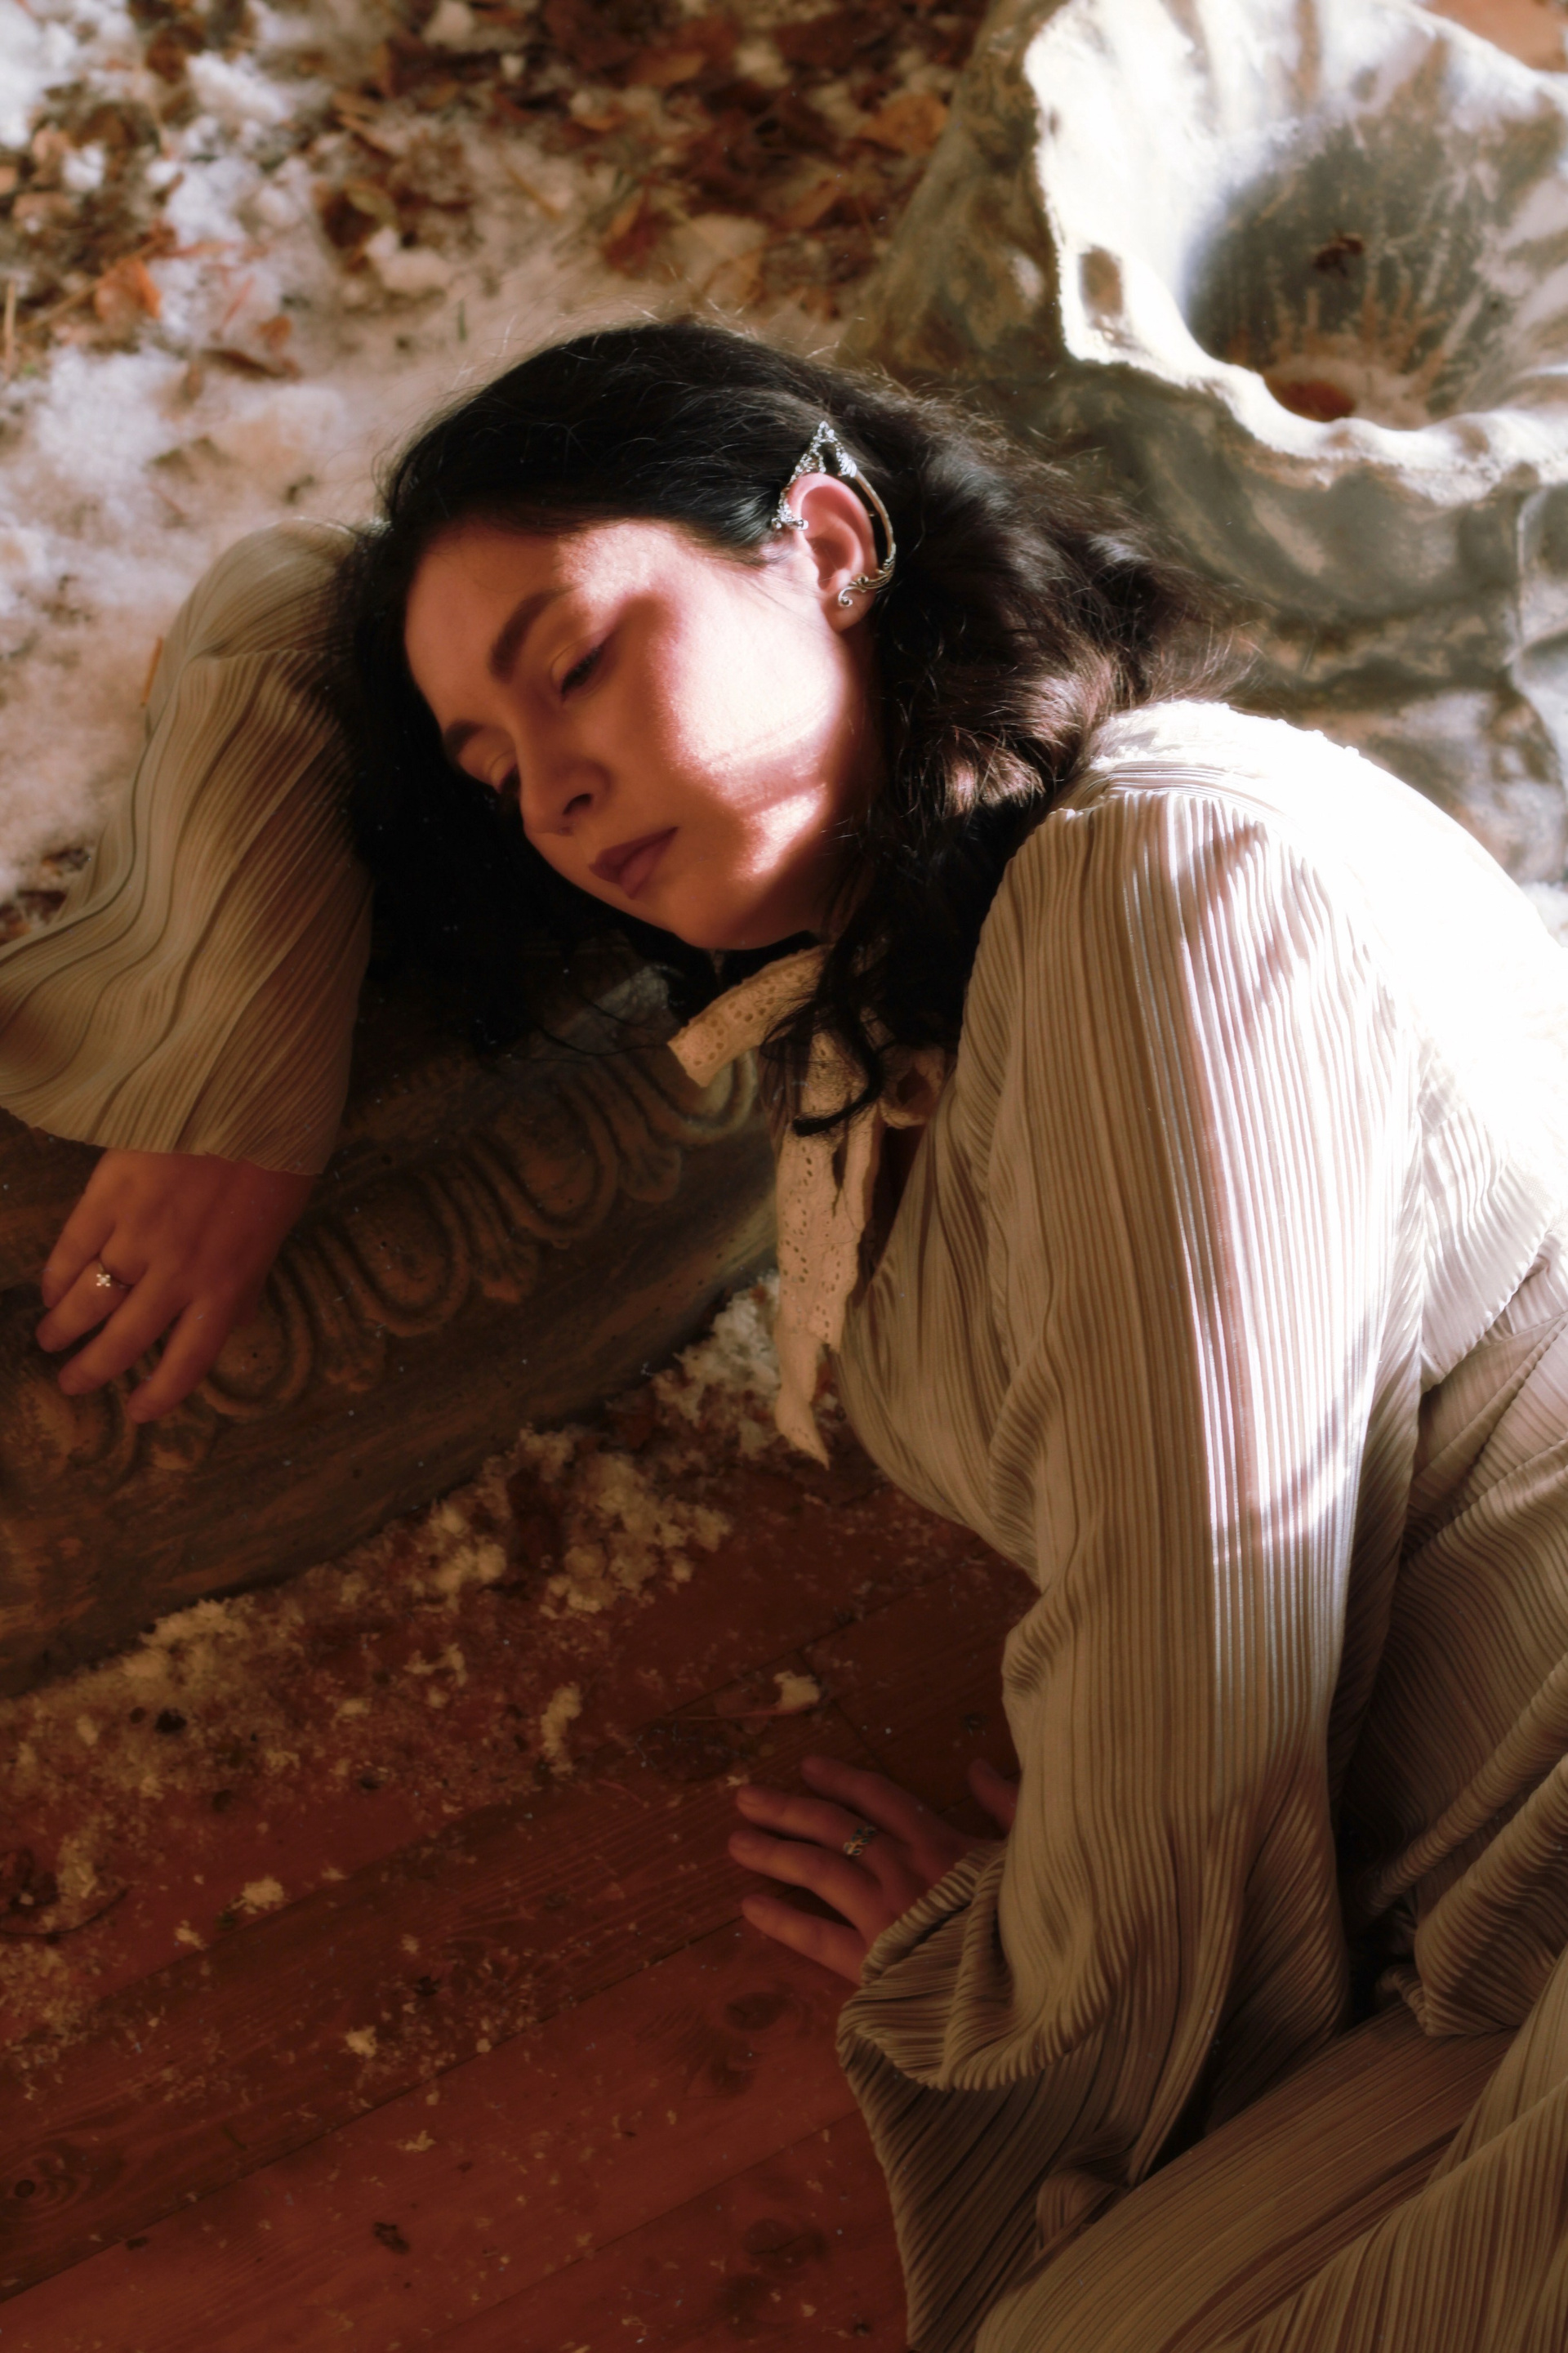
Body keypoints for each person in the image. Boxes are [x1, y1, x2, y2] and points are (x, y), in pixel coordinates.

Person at [3, 319, 1568, 2351]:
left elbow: (1197, 1635)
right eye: (495, 770)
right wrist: (234, 1090)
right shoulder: (887, 988)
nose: (553, 787)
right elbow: (288, 607)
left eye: (580, 661)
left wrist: (1042, 1989)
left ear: (829, 547)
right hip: (1449, 1929)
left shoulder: (1162, 878)